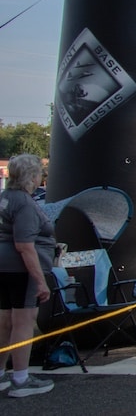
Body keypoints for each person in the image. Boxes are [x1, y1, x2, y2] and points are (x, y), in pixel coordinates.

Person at [0, 153, 56, 397]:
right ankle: (21, 379)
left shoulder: (5, 198)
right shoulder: (24, 203)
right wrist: (40, 281)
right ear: (32, 176)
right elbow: (24, 245)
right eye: (39, 174)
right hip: (21, 268)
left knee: (5, 321)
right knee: (23, 322)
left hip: (4, 267)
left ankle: (1, 374)